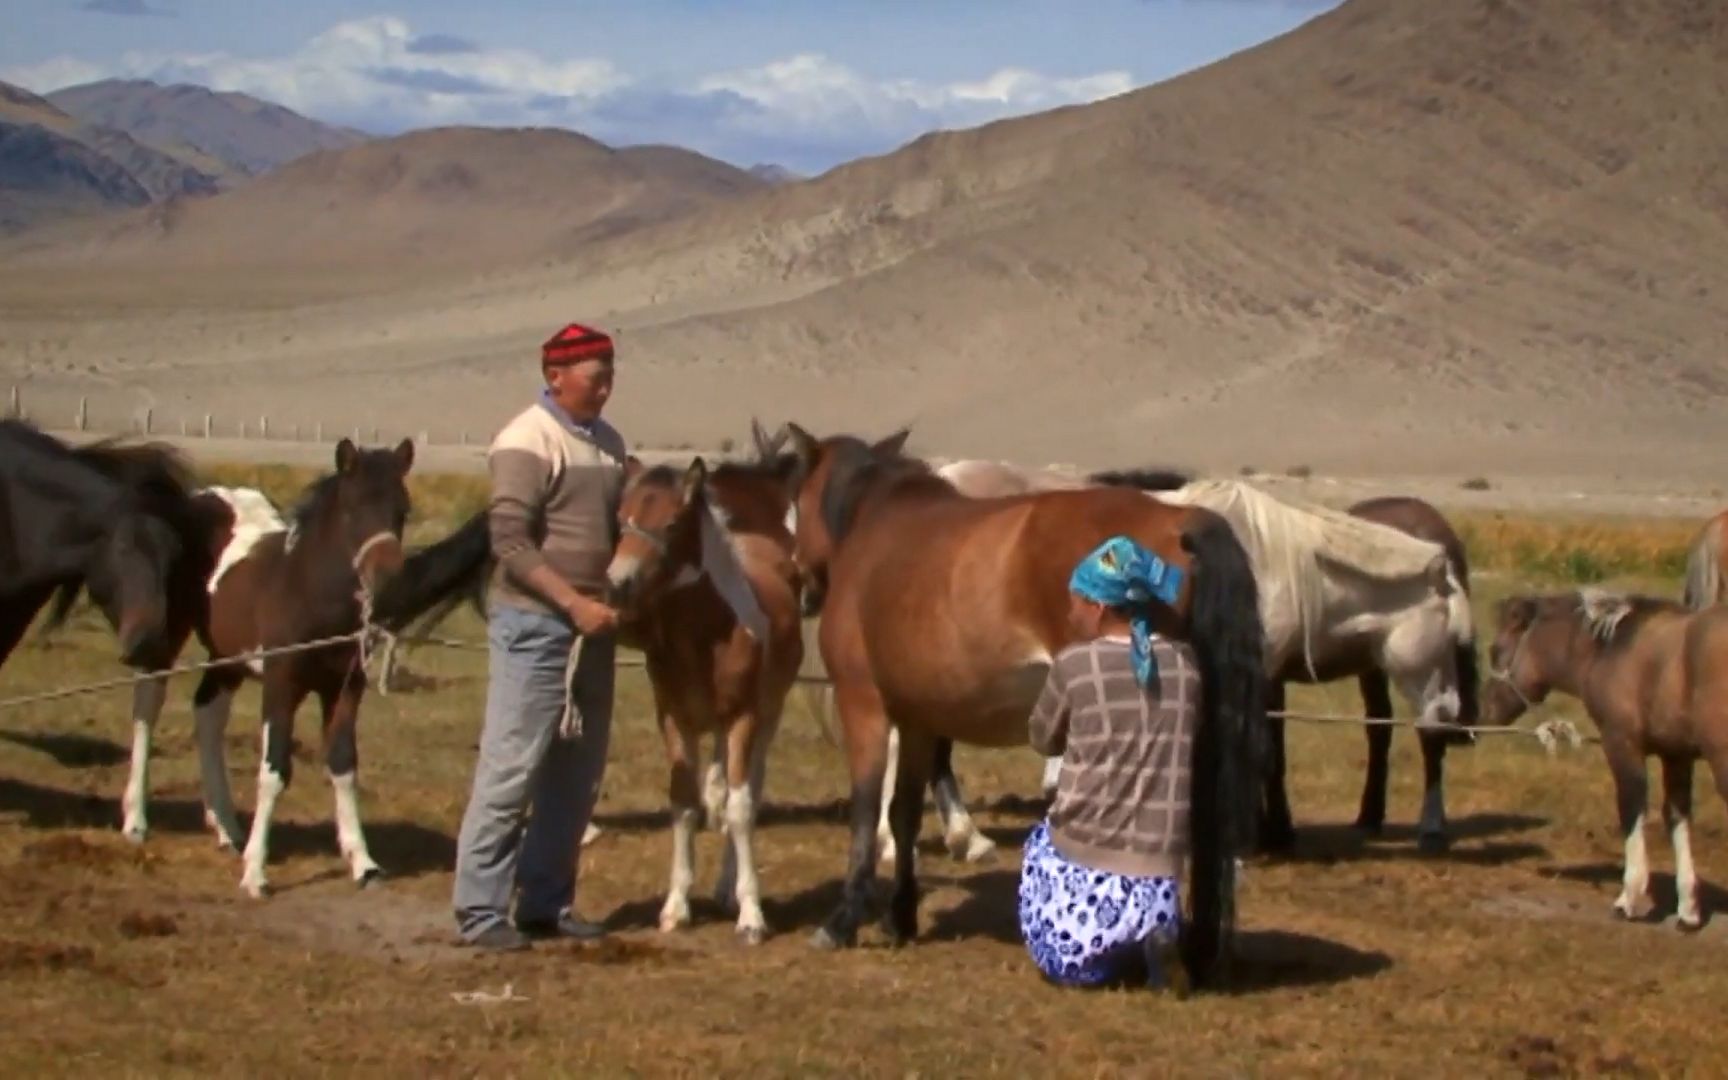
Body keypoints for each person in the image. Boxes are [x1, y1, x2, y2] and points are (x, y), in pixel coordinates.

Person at [451, 321, 628, 952]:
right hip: (535, 626)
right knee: (512, 768)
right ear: (557, 376)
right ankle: (478, 910)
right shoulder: (527, 439)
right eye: (595, 377)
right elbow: (511, 544)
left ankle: (546, 904)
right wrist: (572, 602)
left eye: (610, 376)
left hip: (592, 631)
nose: (606, 388)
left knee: (576, 776)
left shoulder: (608, 443)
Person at [1019, 534, 1200, 995]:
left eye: (1074, 602)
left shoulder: (1075, 665)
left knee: (1039, 859)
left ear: (1098, 607)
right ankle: (1151, 938)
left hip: (1087, 856)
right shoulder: (1186, 665)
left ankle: (1087, 954)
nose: (1069, 613)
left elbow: (1041, 738)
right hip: (1159, 871)